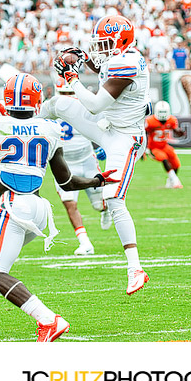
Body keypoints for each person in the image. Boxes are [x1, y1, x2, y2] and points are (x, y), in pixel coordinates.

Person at [0, 73, 119, 341]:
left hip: (14, 206)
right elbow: (67, 181)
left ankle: (48, 319)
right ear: (36, 100)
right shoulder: (49, 129)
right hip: (38, 208)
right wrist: (97, 179)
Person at [42, 13, 151, 295]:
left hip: (126, 139)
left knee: (113, 198)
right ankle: (25, 124)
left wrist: (73, 78)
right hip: (110, 129)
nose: (99, 49)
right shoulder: (118, 56)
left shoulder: (128, 63)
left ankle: (135, 268)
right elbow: (101, 66)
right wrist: (82, 58)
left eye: (104, 43)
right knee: (60, 106)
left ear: (121, 42)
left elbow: (94, 105)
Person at [52, 79, 111, 256]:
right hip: (64, 164)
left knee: (98, 205)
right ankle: (85, 242)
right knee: (70, 203)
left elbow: (104, 126)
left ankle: (104, 210)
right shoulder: (49, 110)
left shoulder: (86, 107)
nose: (68, 98)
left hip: (87, 161)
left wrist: (104, 145)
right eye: (64, 94)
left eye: (70, 93)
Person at [145, 100, 185, 188]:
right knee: (164, 158)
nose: (162, 114)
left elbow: (175, 129)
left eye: (164, 112)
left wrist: (179, 132)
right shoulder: (150, 121)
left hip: (164, 146)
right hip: (154, 148)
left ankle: (170, 180)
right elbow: (144, 134)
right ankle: (175, 181)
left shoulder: (171, 120)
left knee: (176, 164)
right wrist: (143, 149)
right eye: (161, 112)